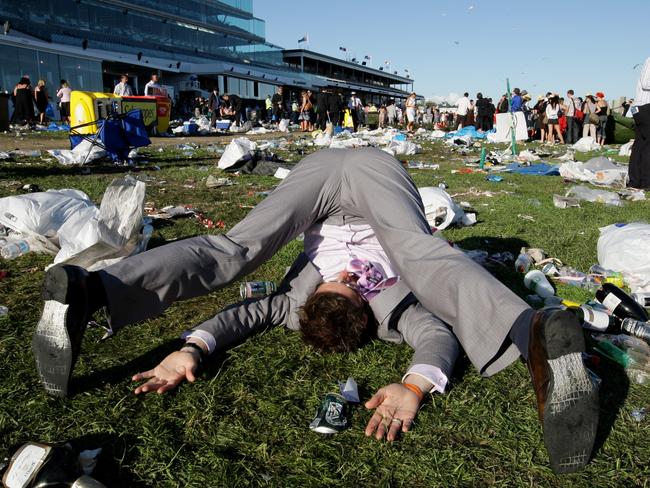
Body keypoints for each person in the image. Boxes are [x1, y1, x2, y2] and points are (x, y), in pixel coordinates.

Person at [33, 147, 598, 474]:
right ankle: (536, 333)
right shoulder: (392, 309)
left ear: (314, 295)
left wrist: (190, 347)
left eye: (338, 282)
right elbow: (434, 337)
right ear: (368, 307)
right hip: (373, 175)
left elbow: (240, 316)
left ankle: (94, 292)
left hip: (325, 170)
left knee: (235, 251)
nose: (348, 274)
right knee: (421, 257)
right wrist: (415, 385)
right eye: (354, 284)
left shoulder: (290, 301)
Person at [628, 56, 650, 188]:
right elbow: (646, 82)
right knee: (647, 145)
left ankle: (635, 181)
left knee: (640, 145)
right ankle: (646, 181)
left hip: (641, 108)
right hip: (645, 106)